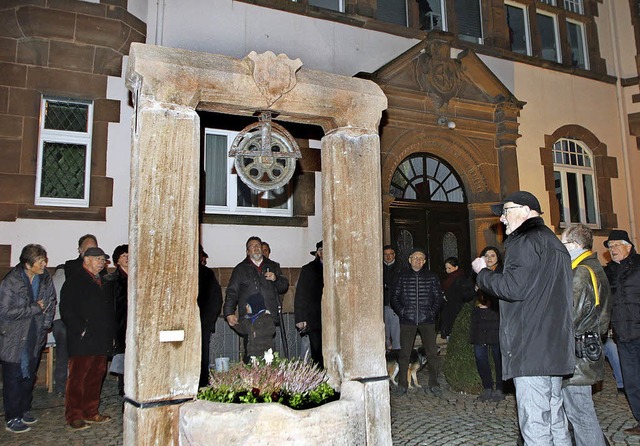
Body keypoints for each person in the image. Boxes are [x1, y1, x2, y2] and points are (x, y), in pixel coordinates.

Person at [472, 191, 574, 445]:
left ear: (527, 211)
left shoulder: (524, 241)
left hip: (531, 346)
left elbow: (512, 288)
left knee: (535, 421)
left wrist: (482, 273)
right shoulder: (554, 243)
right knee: (555, 418)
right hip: (554, 345)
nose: (503, 219)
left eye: (507, 211)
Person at [560, 223, 612, 446]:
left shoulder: (581, 272)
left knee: (581, 415)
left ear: (574, 245)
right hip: (585, 349)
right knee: (578, 413)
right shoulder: (592, 267)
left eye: (563, 243)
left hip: (578, 355)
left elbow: (569, 316)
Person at [0, 244, 56, 434]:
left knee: (29, 373)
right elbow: (4, 311)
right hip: (13, 337)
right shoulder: (11, 281)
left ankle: (24, 410)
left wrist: (46, 323)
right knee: (14, 376)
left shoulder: (45, 278)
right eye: (39, 261)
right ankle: (12, 417)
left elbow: (50, 300)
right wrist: (33, 308)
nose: (43, 264)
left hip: (34, 333)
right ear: (27, 263)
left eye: (44, 259)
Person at [60, 247, 115, 431]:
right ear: (87, 259)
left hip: (100, 338)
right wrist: (80, 330)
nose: (102, 262)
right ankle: (74, 415)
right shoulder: (75, 280)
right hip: (83, 339)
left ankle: (91, 412)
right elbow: (66, 309)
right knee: (78, 378)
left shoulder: (102, 281)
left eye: (103, 259)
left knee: (95, 376)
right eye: (98, 258)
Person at [224, 236, 289, 361]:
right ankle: (251, 378)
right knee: (251, 354)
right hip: (250, 320)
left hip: (268, 318)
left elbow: (283, 287)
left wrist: (276, 279)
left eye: (258, 246)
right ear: (247, 251)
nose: (256, 248)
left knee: (269, 355)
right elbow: (232, 292)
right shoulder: (240, 269)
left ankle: (269, 378)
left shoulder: (273, 266)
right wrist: (229, 312)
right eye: (252, 246)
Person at [391, 248, 444, 397]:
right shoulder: (401, 276)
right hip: (407, 320)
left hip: (427, 320)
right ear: (409, 259)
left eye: (421, 258)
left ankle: (434, 383)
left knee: (432, 353)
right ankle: (402, 384)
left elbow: (438, 298)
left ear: (425, 261)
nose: (418, 260)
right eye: (415, 258)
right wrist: (403, 312)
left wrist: (431, 313)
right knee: (404, 354)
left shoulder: (432, 277)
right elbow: (394, 297)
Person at [52, 234, 101, 396]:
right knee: (66, 334)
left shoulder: (100, 269)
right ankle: (61, 384)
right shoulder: (70, 268)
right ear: (80, 251)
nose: (92, 252)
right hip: (66, 317)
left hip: (90, 318)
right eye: (88, 249)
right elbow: (65, 303)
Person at [604, 229, 640, 435]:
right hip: (623, 334)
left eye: (617, 245)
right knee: (631, 380)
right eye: (610, 246)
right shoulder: (608, 272)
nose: (613, 249)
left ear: (628, 246)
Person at [470, 246, 503, 402]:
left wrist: (490, 303)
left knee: (498, 356)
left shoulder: (501, 274)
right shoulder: (476, 273)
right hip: (480, 320)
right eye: (486, 255)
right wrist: (474, 288)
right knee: (480, 355)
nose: (489, 258)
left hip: (495, 318)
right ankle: (487, 387)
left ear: (498, 258)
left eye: (492, 255)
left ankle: (500, 388)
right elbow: (465, 294)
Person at [295, 241, 324, 367]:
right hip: (314, 317)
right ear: (318, 252)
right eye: (322, 250)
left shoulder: (338, 267)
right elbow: (301, 294)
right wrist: (301, 318)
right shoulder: (308, 269)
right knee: (316, 351)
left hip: (333, 319)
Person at [104, 244, 129, 396]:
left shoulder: (139, 276)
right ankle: (123, 386)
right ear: (117, 261)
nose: (127, 258)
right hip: (120, 321)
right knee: (122, 355)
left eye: (129, 255)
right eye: (123, 256)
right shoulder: (112, 280)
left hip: (134, 321)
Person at [197, 245, 223, 387]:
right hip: (184, 324)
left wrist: (208, 320)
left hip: (202, 323)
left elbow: (216, 299)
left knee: (202, 356)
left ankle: (201, 384)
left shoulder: (207, 274)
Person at [439, 256, 476, 339]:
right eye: (446, 268)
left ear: (456, 268)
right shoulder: (448, 279)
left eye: (449, 268)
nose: (447, 271)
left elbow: (464, 295)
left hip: (457, 309)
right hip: (449, 309)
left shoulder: (461, 279)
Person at [383, 245, 402, 352]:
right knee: (385, 332)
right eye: (386, 254)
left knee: (396, 333)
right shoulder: (379, 268)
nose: (388, 257)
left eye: (390, 254)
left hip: (395, 305)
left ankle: (397, 354)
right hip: (383, 305)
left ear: (394, 255)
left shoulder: (400, 268)